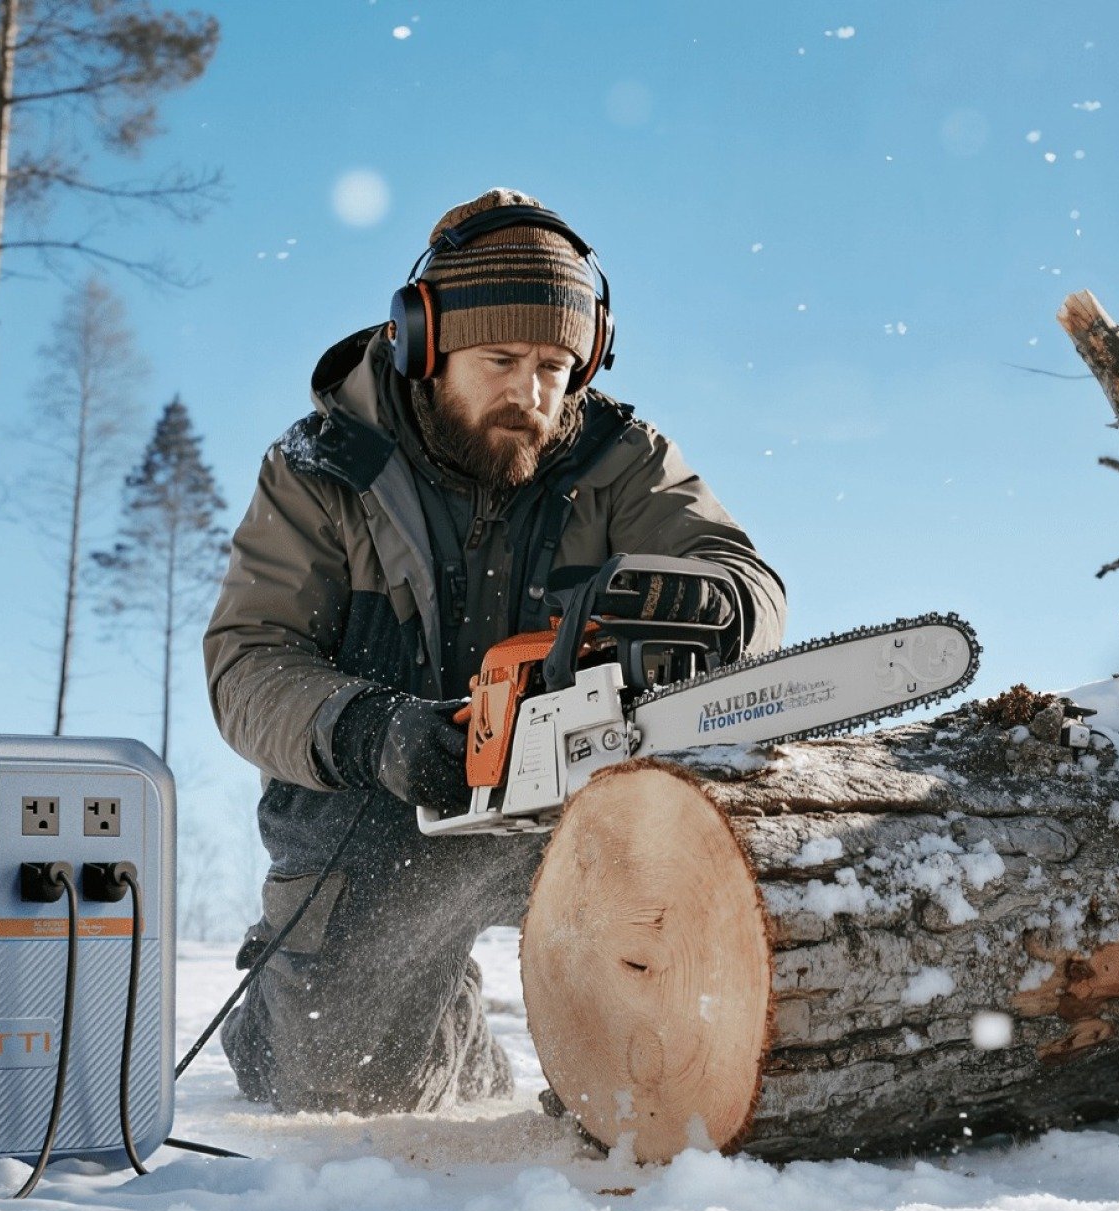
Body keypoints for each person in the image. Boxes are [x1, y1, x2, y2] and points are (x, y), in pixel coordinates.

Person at [202, 188, 787, 1114]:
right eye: (502, 360)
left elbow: (743, 575)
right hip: (382, 802)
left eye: (555, 365)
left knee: (681, 1007)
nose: (532, 392)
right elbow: (248, 660)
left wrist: (717, 603)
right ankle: (335, 1012)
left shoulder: (621, 457)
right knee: (334, 1082)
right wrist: (371, 730)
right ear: (425, 345)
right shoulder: (323, 466)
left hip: (583, 794)